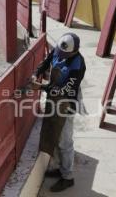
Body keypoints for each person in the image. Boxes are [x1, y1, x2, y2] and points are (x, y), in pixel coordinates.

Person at [31, 32, 86, 192]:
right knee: (54, 134)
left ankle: (67, 177)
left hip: (66, 102)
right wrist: (37, 72)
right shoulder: (61, 48)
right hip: (53, 100)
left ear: (75, 51)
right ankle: (61, 169)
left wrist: (40, 87)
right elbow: (47, 60)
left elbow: (64, 90)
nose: (61, 55)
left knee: (64, 141)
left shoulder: (78, 65)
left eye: (65, 55)